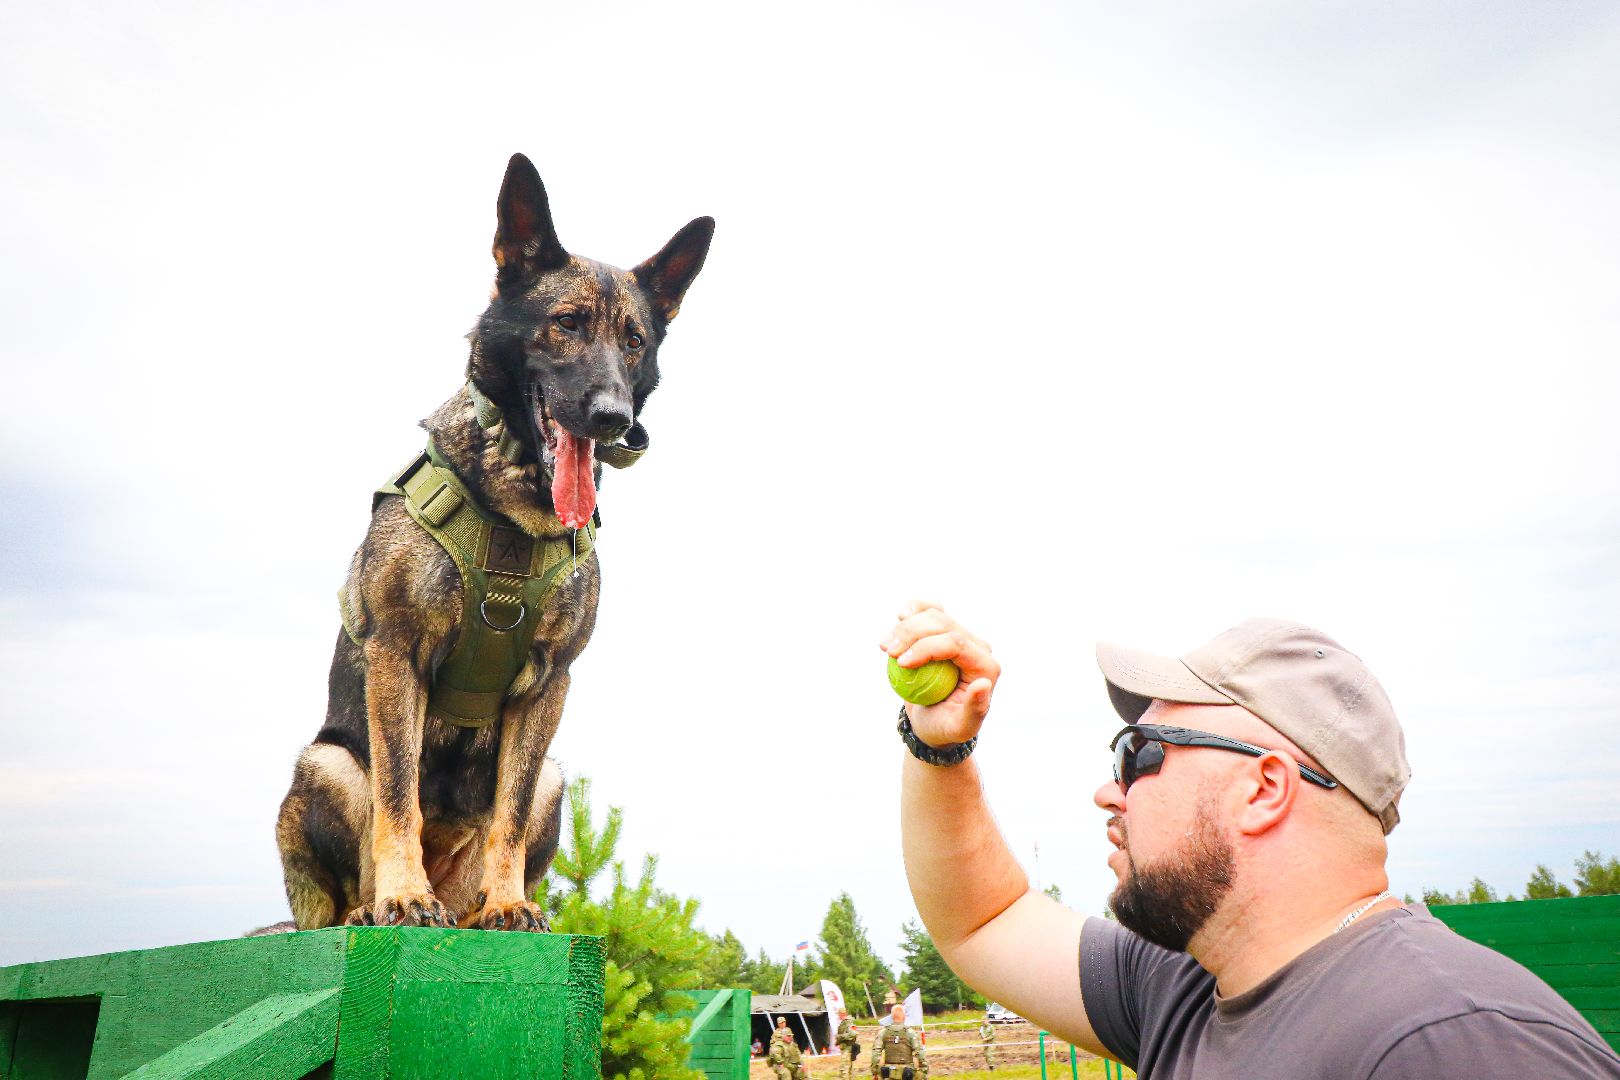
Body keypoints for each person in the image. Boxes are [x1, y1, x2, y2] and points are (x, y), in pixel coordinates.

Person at [882, 603, 1620, 1079]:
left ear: (1265, 789)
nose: (1110, 790)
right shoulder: (1185, 987)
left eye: (1138, 755)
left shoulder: (1452, 1042)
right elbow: (983, 919)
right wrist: (939, 748)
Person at [871, 1002, 927, 1079]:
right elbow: (920, 1054)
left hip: (888, 1072)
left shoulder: (883, 1032)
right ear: (904, 1017)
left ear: (891, 1017)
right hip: (906, 1072)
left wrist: (875, 1072)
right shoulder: (911, 1033)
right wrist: (923, 1071)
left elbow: (875, 1054)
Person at [836, 1009, 860, 1080]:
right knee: (848, 1068)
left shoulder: (848, 1022)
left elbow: (853, 1033)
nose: (838, 1016)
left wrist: (840, 1037)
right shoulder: (846, 1022)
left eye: (839, 1014)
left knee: (844, 1068)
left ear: (842, 1014)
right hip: (846, 1048)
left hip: (848, 1047)